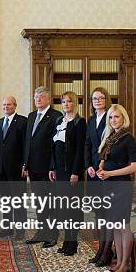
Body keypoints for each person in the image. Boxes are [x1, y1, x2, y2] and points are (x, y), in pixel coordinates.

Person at [96, 104, 136, 272]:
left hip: (121, 186)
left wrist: (110, 173)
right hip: (109, 185)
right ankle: (120, 263)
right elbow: (105, 159)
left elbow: (134, 167)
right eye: (111, 117)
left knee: (123, 226)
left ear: (124, 118)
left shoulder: (128, 138)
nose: (114, 120)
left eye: (117, 117)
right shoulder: (110, 137)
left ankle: (125, 265)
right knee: (115, 226)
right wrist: (101, 167)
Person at [23, 86, 63, 246]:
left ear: (48, 99)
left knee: (50, 202)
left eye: (41, 97)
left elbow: (56, 144)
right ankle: (41, 231)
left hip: (48, 168)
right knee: (39, 202)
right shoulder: (31, 116)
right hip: (33, 167)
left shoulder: (56, 116)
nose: (38, 99)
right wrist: (25, 163)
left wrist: (53, 167)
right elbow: (28, 142)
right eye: (35, 97)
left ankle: (52, 234)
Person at [49, 91, 86, 256]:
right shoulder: (58, 121)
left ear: (74, 103)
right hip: (60, 171)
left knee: (73, 208)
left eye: (69, 101)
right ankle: (66, 240)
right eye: (63, 101)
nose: (66, 104)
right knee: (63, 208)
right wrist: (52, 167)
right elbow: (54, 147)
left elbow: (80, 150)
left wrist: (76, 172)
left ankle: (73, 242)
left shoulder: (79, 122)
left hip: (72, 171)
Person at [0, 96, 28, 239]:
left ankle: (21, 230)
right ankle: (7, 228)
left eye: (9, 105)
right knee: (6, 200)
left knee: (18, 200)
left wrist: (25, 165)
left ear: (15, 106)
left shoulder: (23, 122)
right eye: (4, 105)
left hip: (17, 169)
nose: (6, 107)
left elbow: (26, 146)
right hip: (2, 169)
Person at [84, 87, 113, 266]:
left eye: (101, 98)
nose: (97, 101)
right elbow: (87, 144)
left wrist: (101, 165)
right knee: (99, 212)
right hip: (93, 172)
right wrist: (88, 166)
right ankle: (101, 248)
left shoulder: (111, 118)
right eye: (95, 98)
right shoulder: (91, 119)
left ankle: (107, 250)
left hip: (106, 170)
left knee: (107, 213)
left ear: (106, 100)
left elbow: (110, 145)